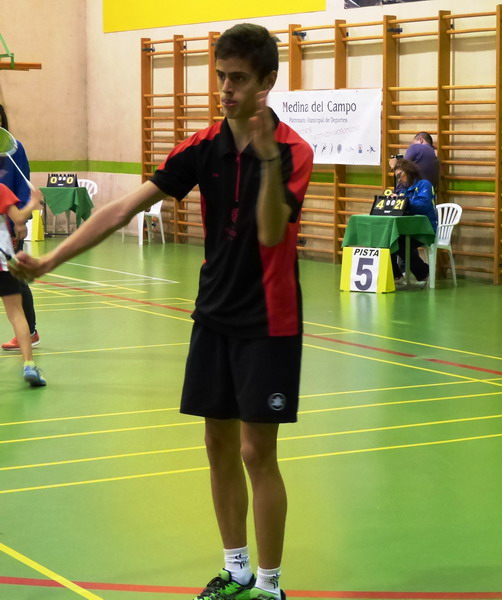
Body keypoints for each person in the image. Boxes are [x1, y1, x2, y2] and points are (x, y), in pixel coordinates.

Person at [12, 23, 313, 600]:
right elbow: (123, 209)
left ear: (268, 82)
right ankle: (238, 571)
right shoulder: (201, 147)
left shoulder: (296, 152)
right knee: (218, 444)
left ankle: (271, 588)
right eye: (221, 77)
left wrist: (270, 163)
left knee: (257, 450)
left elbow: (274, 233)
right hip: (214, 315)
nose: (225, 89)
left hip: (269, 322)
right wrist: (52, 261)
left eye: (239, 79)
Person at [0, 105, 40, 351]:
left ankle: (31, 331)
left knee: (16, 280)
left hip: (8, 225)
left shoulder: (14, 149)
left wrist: (21, 221)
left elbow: (23, 186)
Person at [0, 183, 46, 386]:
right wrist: (34, 202)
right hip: (3, 263)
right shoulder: (1, 189)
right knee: (17, 314)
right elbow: (18, 218)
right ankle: (29, 364)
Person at [390, 159, 437, 287]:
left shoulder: (424, 185)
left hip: (425, 229)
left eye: (400, 175)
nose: (399, 180)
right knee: (390, 238)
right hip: (407, 229)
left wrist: (404, 201)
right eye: (397, 177)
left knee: (399, 241)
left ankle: (422, 271)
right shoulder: (403, 189)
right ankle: (396, 275)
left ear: (409, 172)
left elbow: (423, 205)